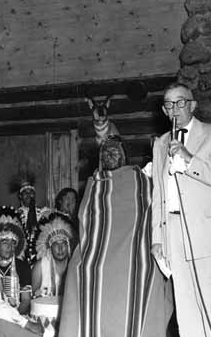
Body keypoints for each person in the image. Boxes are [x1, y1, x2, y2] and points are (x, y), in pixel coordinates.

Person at [59, 136, 173, 337]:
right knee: (76, 273)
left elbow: (149, 214)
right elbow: (87, 221)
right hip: (97, 253)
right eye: (105, 152)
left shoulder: (141, 180)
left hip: (135, 252)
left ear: (125, 156)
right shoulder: (95, 184)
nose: (109, 155)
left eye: (115, 151)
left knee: (148, 274)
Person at [151, 83, 211, 337]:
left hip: (207, 231)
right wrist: (157, 237)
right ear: (164, 111)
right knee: (186, 310)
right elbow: (158, 193)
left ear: (192, 105)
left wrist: (190, 159)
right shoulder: (160, 144)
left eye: (180, 102)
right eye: (169, 104)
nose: (174, 108)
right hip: (173, 231)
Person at [0, 206, 32, 315]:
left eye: (13, 243)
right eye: (5, 242)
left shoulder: (22, 267)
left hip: (18, 317)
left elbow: (26, 301)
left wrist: (15, 318)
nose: (9, 247)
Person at [31, 212, 76, 298]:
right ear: (50, 248)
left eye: (63, 244)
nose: (60, 248)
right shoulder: (40, 267)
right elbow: (34, 301)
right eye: (56, 244)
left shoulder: (75, 265)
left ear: (69, 246)